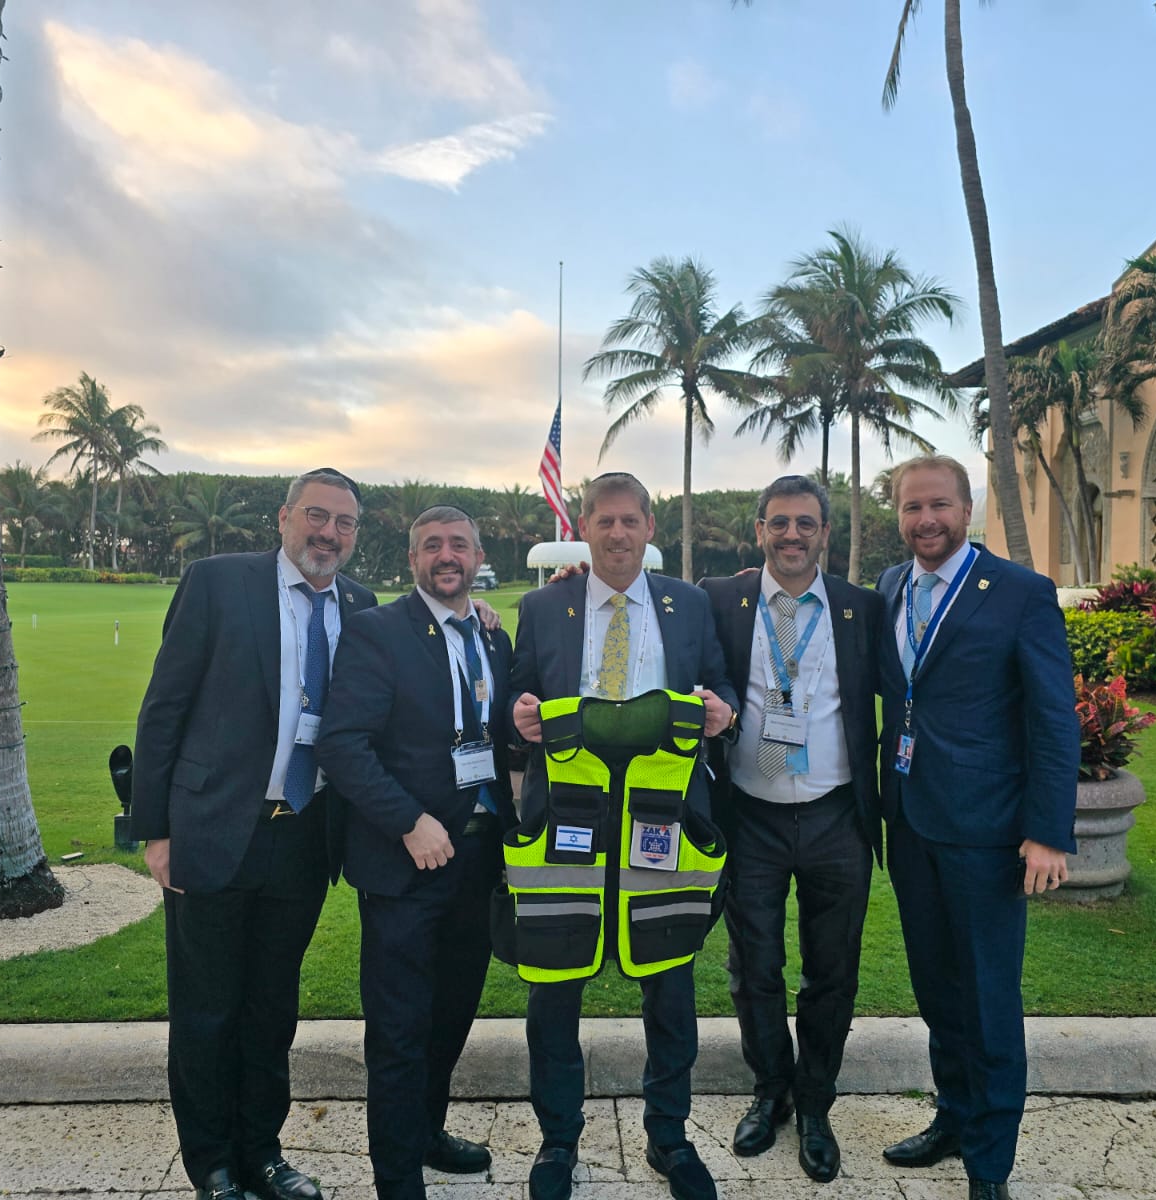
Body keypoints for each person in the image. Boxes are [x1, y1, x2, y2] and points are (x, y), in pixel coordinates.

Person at [130, 468, 375, 1200]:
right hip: (212, 830)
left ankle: (263, 1153)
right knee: (206, 1010)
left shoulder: (362, 606)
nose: (328, 533)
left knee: (272, 1010)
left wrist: (481, 613)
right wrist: (155, 830)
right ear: (284, 517)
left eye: (344, 523)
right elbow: (163, 709)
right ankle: (212, 1164)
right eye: (316, 516)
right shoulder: (217, 583)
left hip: (304, 838)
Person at [509, 472, 737, 1200]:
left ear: (648, 527)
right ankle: (557, 1142)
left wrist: (723, 711)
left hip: (662, 820)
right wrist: (517, 715)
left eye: (629, 521)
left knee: (670, 985)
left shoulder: (688, 604)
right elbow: (515, 694)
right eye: (603, 521)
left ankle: (669, 1136)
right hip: (565, 822)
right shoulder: (543, 606)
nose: (616, 533)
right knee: (555, 990)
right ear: (584, 526)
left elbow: (721, 683)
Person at [875, 455, 1079, 1200]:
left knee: (989, 1001)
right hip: (911, 822)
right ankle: (954, 1117)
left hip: (987, 831)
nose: (925, 520)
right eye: (912, 507)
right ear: (899, 516)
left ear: (967, 510)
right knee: (937, 990)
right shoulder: (891, 586)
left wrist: (1047, 832)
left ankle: (990, 1165)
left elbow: (1053, 718)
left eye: (939, 505)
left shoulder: (1020, 592)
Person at [317, 506, 515, 1200]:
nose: (446, 555)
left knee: (451, 1017)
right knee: (399, 1033)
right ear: (412, 560)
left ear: (478, 557)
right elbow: (342, 743)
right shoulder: (377, 631)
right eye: (432, 545)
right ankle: (398, 1180)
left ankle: (427, 1132)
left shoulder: (491, 635)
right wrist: (408, 821)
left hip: (479, 860)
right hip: (406, 865)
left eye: (459, 544)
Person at [699, 475, 884, 1183]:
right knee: (755, 968)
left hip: (837, 814)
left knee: (832, 971)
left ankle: (815, 1102)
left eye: (806, 523)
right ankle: (770, 1089)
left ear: (825, 533)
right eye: (779, 523)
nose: (792, 535)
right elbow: (653, 609)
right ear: (759, 531)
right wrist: (574, 577)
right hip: (752, 815)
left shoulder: (861, 608)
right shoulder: (722, 599)